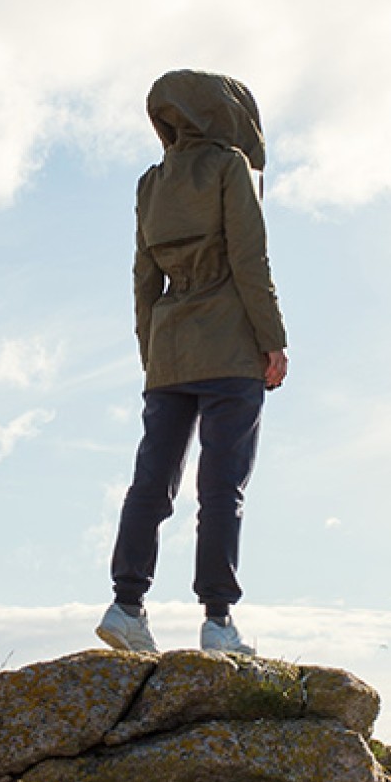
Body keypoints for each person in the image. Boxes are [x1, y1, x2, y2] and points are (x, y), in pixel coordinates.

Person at [98, 69, 288, 657]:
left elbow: (142, 278)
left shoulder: (151, 183)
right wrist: (273, 339)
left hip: (169, 351)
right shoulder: (231, 166)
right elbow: (250, 259)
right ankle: (217, 621)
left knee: (150, 484)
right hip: (230, 345)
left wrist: (150, 352)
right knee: (221, 488)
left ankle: (126, 605)